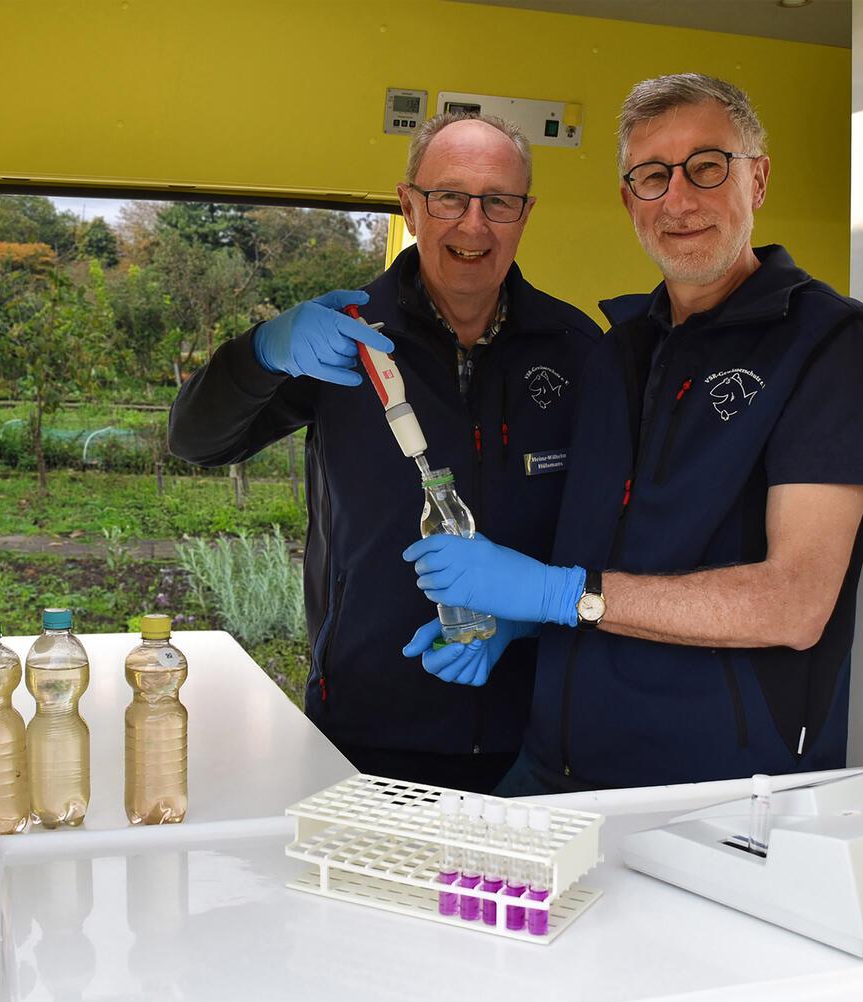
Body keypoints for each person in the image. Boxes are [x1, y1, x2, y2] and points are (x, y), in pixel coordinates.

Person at [404, 74, 863, 794]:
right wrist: (518, 619)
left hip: (721, 794)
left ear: (757, 179)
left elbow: (796, 603)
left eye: (707, 167)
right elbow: (612, 562)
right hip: (556, 768)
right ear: (627, 200)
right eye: (651, 176)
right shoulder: (617, 350)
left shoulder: (829, 345)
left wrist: (558, 593)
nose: (678, 200)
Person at [168, 112, 601, 793]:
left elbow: (610, 537)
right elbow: (195, 439)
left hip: (540, 738)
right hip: (366, 734)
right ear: (409, 204)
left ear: (525, 213)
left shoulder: (577, 350)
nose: (473, 224)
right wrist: (262, 350)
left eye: (499, 201)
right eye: (449, 197)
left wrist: (521, 619)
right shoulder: (344, 338)